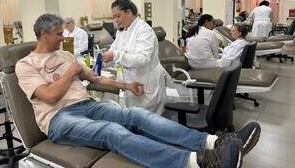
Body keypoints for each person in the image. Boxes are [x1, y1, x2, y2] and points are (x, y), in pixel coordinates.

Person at [16, 13, 261, 168]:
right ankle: (194, 162)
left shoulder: (65, 54)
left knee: (138, 115)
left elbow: (95, 78)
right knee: (112, 131)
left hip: (87, 106)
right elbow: (49, 96)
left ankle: (213, 142)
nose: (63, 38)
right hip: (59, 120)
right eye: (59, 34)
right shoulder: (25, 65)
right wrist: (71, 71)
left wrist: (126, 85)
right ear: (43, 34)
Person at [102, 0, 166, 114]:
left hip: (145, 81)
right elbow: (114, 50)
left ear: (129, 12)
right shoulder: (123, 30)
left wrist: (115, 55)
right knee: (134, 116)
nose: (115, 20)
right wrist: (103, 61)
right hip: (130, 83)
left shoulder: (143, 30)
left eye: (118, 16)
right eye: (114, 17)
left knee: (149, 121)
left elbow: (142, 59)